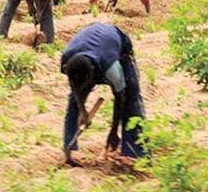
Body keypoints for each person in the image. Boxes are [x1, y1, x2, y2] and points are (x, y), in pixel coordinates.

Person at [60, 22, 146, 166]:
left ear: (93, 76)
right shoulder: (68, 62)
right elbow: (75, 87)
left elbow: (120, 97)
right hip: (89, 45)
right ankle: (69, 150)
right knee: (73, 101)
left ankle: (135, 152)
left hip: (118, 46)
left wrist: (113, 132)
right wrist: (82, 110)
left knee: (131, 98)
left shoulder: (110, 67)